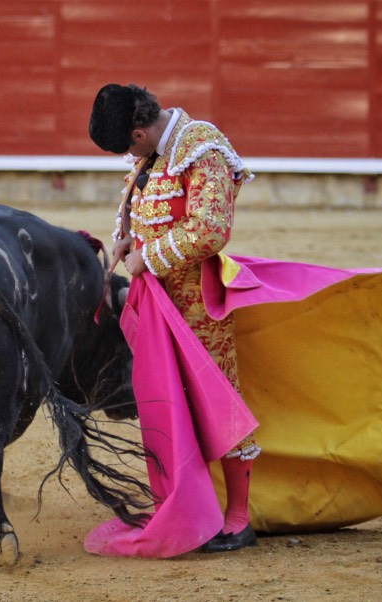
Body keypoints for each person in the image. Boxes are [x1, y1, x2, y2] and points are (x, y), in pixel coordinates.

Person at [88, 83, 260, 552]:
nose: (127, 154)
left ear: (140, 132)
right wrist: (125, 239)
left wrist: (151, 257)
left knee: (215, 399)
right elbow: (143, 209)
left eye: (127, 145)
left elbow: (211, 228)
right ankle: (190, 506)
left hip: (199, 303)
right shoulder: (151, 155)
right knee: (169, 402)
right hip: (158, 305)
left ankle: (239, 518)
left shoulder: (201, 147)